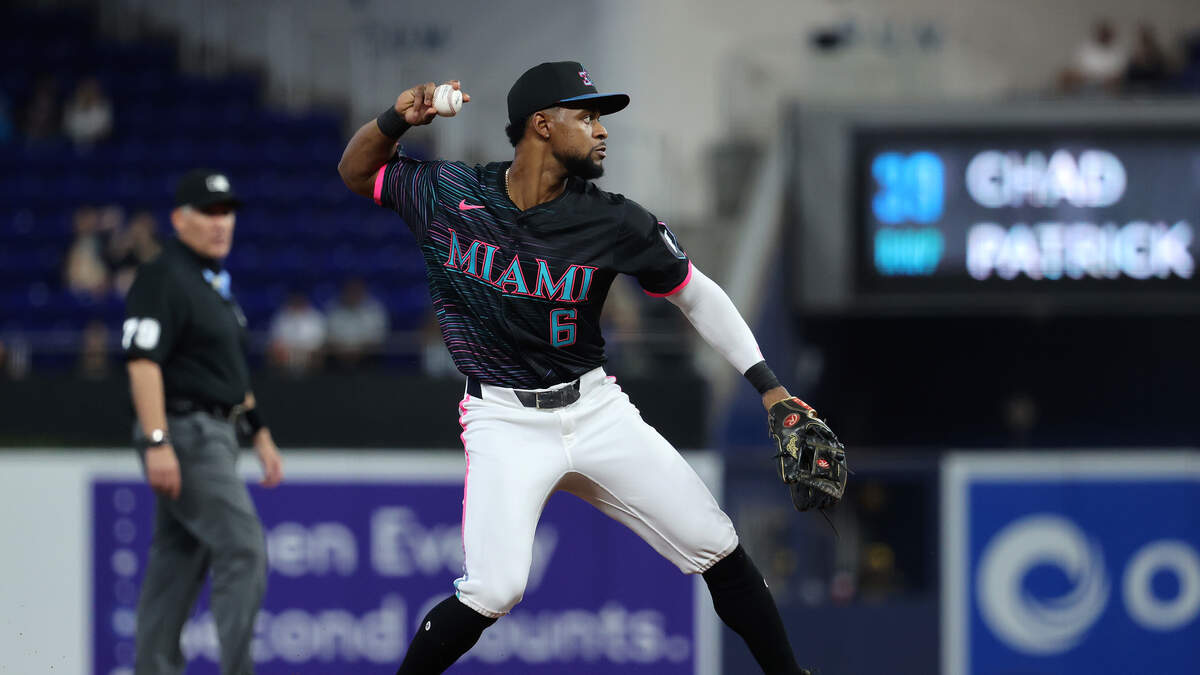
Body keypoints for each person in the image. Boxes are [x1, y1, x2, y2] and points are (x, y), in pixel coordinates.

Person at [339, 62, 815, 674]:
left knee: (716, 544)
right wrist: (394, 120)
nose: (602, 130)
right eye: (586, 116)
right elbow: (357, 172)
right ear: (542, 124)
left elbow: (696, 294)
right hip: (503, 419)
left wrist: (770, 388)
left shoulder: (612, 219)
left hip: (593, 410)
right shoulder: (450, 194)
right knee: (494, 589)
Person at [123, 169, 283, 675]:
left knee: (175, 563)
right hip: (185, 431)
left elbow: (228, 372)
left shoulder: (211, 286)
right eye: (209, 212)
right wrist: (157, 440)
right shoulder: (163, 275)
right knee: (243, 548)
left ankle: (153, 668)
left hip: (214, 431)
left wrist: (259, 431)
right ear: (178, 219)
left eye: (227, 212)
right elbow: (142, 360)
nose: (221, 223)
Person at [325, 277, 389, 367]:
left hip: (367, 354)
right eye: (350, 292)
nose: (353, 295)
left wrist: (359, 349)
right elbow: (329, 334)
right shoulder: (333, 309)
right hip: (338, 355)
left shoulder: (374, 309)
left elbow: (378, 336)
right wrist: (343, 349)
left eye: (356, 292)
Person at [62, 76, 113, 148]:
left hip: (99, 146)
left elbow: (105, 131)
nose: (88, 93)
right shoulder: (71, 107)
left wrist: (89, 136)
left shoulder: (103, 108)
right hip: (74, 145)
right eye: (85, 90)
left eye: (91, 90)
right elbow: (68, 129)